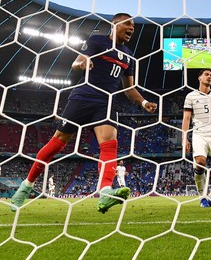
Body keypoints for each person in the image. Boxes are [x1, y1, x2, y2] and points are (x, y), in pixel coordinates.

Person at [10, 13, 157, 213]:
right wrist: (83, 64)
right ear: (115, 25)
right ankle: (26, 186)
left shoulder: (129, 55)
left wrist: (144, 102)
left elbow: (129, 89)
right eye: (128, 24)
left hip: (106, 101)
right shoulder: (97, 41)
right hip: (84, 95)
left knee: (110, 144)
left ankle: (105, 192)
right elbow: (76, 63)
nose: (132, 28)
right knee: (57, 143)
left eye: (134, 26)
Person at [182, 68, 211, 208]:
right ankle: (202, 197)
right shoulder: (191, 96)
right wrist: (185, 138)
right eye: (206, 74)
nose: (209, 77)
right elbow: (186, 118)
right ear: (199, 78)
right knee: (200, 162)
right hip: (199, 134)